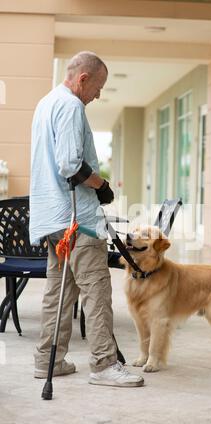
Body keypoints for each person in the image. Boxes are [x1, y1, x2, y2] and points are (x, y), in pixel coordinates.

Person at [30, 51, 144, 387]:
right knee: (96, 290)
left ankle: (48, 361)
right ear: (83, 78)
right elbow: (70, 165)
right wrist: (102, 184)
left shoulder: (45, 104)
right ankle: (104, 365)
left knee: (59, 291)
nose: (98, 94)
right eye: (98, 86)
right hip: (76, 218)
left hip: (52, 218)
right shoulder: (70, 106)